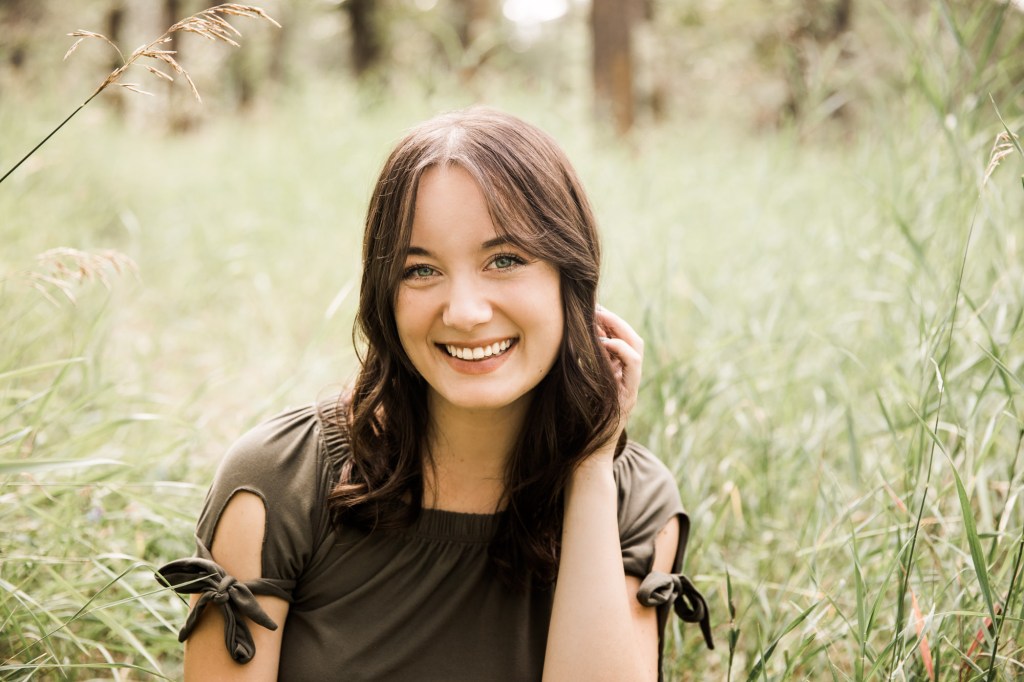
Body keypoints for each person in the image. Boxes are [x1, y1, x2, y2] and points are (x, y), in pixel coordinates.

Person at [157, 107, 712, 681]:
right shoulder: (282, 479)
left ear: (572, 282)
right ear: (384, 293)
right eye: (420, 270)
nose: (465, 313)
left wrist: (591, 466)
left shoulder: (634, 500)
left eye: (505, 260)